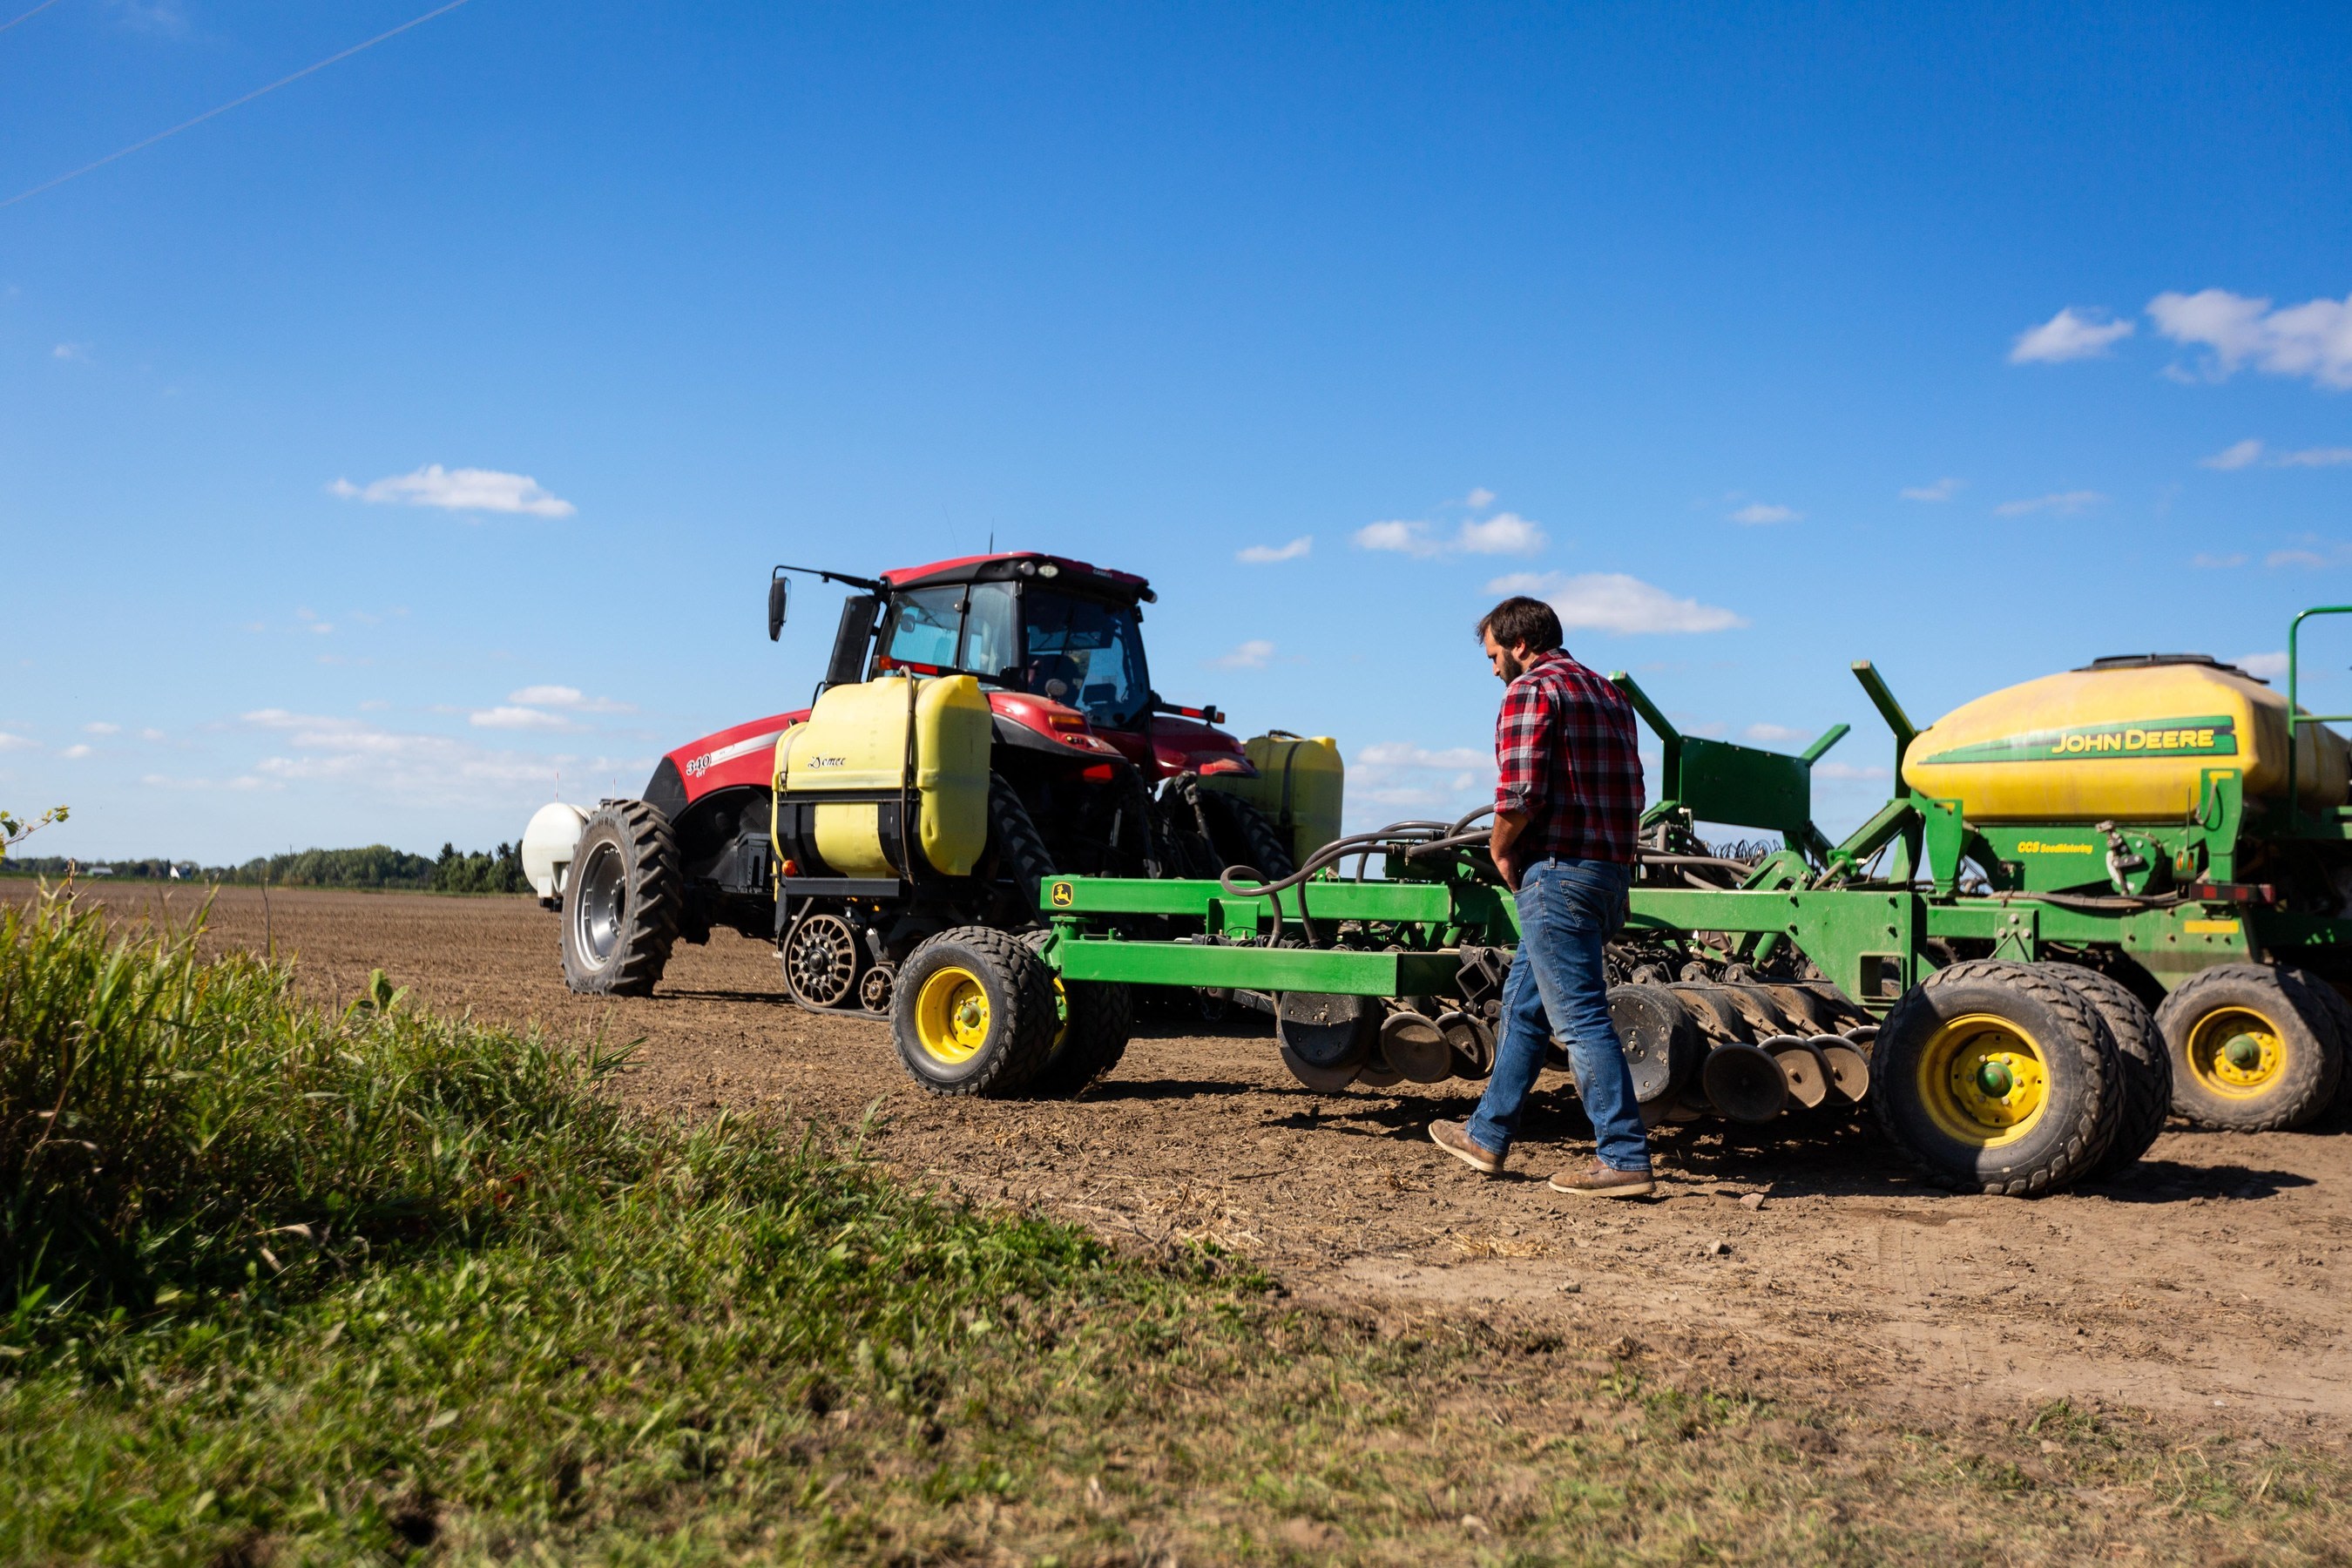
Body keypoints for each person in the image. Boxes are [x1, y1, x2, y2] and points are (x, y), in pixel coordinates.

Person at [1427, 595, 1653, 1197]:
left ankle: (1624, 1158)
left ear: (1520, 644)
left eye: (1496, 655)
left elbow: (1520, 791)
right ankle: (1487, 1135)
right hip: (1607, 872)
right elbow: (1636, 792)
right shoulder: (1610, 695)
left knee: (1579, 1019)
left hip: (1557, 875)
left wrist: (1501, 850)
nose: (1494, 669)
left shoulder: (1531, 691)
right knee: (1525, 1007)